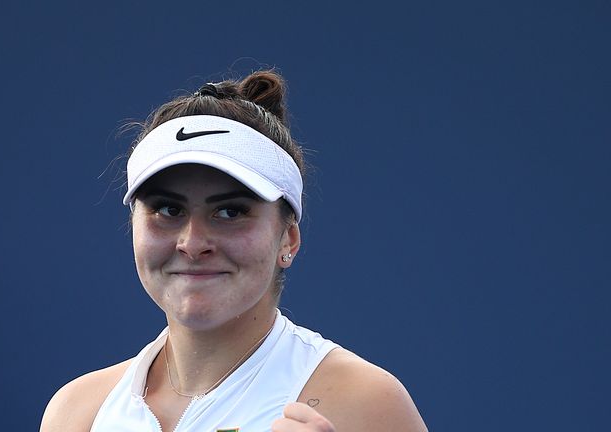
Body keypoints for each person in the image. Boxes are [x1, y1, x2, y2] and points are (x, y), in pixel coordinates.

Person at [40, 70, 428, 432]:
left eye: (230, 211)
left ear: (287, 239)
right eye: (168, 210)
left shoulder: (365, 405)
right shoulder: (78, 412)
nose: (192, 243)